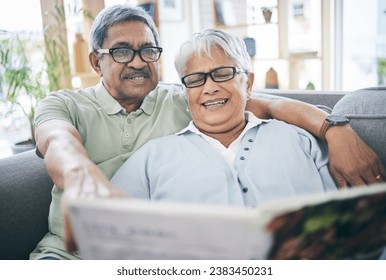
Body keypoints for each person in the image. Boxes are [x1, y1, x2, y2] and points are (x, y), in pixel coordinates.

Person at [29, 5, 386, 260]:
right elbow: (58, 140)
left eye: (147, 50)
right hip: (65, 252)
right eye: (122, 51)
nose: (138, 61)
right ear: (96, 61)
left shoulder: (180, 97)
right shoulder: (68, 106)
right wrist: (82, 177)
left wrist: (334, 129)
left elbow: (265, 103)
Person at [110, 28, 338, 207]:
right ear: (186, 94)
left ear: (247, 84)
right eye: (196, 79)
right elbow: (107, 227)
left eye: (222, 74)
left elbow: (353, 224)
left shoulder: (300, 140)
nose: (209, 88)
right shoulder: (152, 157)